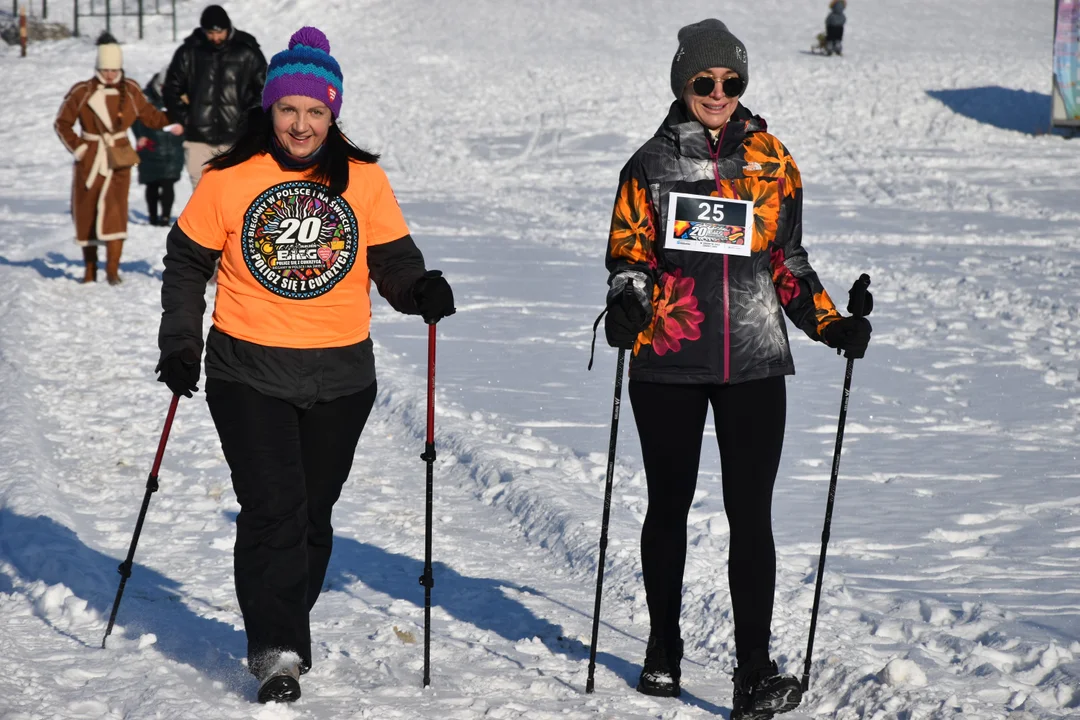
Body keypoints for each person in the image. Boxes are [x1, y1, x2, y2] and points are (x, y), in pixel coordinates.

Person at [155, 27, 455, 704]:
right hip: (247, 370)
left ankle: (282, 617)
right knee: (274, 509)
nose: (301, 124)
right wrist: (180, 343)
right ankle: (278, 651)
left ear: (332, 113)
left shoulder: (364, 180)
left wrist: (419, 290)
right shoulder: (229, 178)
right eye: (289, 109)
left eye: (315, 111)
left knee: (313, 515)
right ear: (271, 109)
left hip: (343, 377)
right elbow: (186, 263)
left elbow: (395, 262)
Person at [602, 19, 871, 719]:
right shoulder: (648, 165)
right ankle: (663, 648)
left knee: (751, 516)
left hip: (752, 360)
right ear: (683, 82)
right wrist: (627, 303)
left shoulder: (772, 161)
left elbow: (788, 261)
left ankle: (754, 671)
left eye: (731, 81)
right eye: (705, 81)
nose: (719, 93)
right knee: (668, 505)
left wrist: (830, 322)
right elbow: (628, 257)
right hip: (666, 357)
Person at [54, 33, 183, 284]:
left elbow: (152, 118)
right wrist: (79, 148)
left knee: (115, 212)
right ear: (98, 68)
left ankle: (112, 270)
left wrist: (179, 115)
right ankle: (89, 269)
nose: (111, 74)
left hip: (119, 159)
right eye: (105, 69)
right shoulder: (82, 92)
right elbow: (63, 123)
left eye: (114, 69)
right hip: (90, 159)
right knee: (86, 212)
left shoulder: (132, 91)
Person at [164, 4, 266, 187]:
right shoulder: (189, 52)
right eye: (210, 33)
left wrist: (248, 119)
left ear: (229, 28)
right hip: (198, 138)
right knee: (201, 192)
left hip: (235, 138)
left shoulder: (247, 51)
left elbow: (265, 89)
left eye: (220, 33)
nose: (215, 37)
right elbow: (171, 88)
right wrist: (186, 118)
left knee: (233, 192)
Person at [133, 67, 185, 226]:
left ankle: (165, 217)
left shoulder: (181, 97)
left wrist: (183, 128)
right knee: (152, 183)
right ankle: (153, 216)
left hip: (173, 148)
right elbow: (136, 118)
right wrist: (140, 135)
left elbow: (190, 116)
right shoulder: (145, 97)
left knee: (168, 183)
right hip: (151, 146)